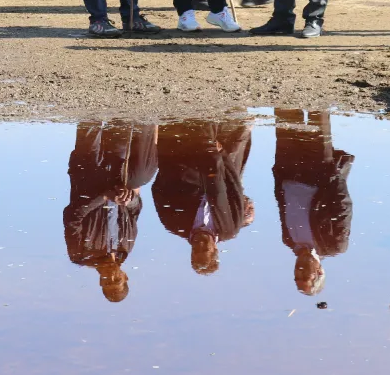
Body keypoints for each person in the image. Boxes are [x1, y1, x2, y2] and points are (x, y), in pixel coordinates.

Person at [63, 121, 158, 303]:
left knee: (90, 124)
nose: (111, 277)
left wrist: (105, 197)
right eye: (117, 280)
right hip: (117, 175)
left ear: (100, 282)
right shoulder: (125, 248)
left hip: (87, 176)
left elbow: (72, 216)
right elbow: (135, 211)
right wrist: (128, 199)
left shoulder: (80, 255)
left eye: (107, 282)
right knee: (119, 123)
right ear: (125, 276)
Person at [152, 120, 254, 276]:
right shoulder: (230, 228)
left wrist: (175, 169)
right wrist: (223, 157)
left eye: (196, 250)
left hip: (184, 162)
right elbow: (235, 190)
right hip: (218, 164)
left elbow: (158, 190)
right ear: (215, 249)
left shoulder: (173, 224)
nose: (199, 244)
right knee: (219, 146)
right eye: (204, 249)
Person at [273, 110, 354, 297]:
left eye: (296, 277)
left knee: (285, 120)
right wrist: (334, 176)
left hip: (287, 170)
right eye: (305, 276)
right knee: (319, 118)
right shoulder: (334, 245)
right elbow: (343, 207)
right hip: (318, 172)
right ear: (319, 272)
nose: (299, 271)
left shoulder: (289, 241)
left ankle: (283, 87)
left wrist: (278, 180)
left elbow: (282, 206)